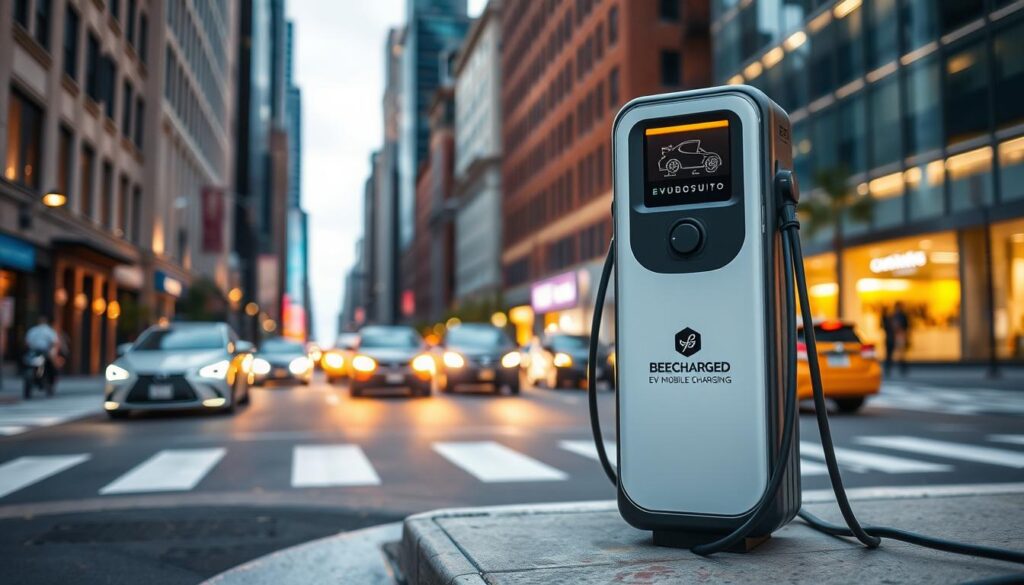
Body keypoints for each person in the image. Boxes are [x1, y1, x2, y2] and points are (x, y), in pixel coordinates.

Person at [25, 315, 60, 391]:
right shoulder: (46, 331)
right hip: (37, 352)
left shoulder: (35, 330)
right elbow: (55, 342)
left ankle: (50, 381)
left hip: (41, 352)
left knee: (50, 366)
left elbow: (27, 342)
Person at [889, 302, 910, 376]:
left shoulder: (896, 315)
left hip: (899, 335)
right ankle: (897, 368)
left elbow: (906, 326)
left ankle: (900, 368)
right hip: (897, 336)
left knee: (900, 353)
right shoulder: (896, 315)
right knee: (898, 353)